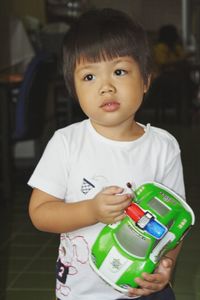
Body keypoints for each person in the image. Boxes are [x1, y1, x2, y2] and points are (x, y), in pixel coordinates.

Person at [28, 8, 185, 300]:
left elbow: (175, 225)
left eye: (120, 71)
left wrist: (166, 267)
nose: (106, 87)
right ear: (74, 90)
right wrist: (91, 211)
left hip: (143, 289)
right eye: (89, 76)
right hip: (83, 294)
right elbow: (40, 212)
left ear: (146, 79)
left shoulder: (164, 147)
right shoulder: (66, 143)